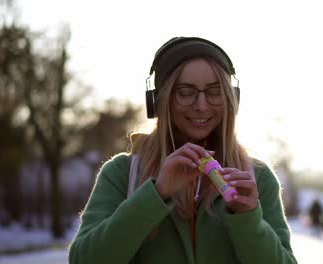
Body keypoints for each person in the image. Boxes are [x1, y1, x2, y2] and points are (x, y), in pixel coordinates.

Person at [68, 37, 297, 264]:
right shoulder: (122, 173)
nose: (201, 105)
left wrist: (248, 219)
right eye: (186, 92)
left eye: (214, 91)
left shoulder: (256, 178)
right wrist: (156, 194)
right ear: (159, 101)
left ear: (231, 99)